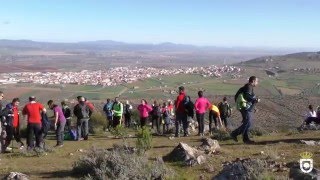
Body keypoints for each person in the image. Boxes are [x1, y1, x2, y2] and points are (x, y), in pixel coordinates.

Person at [231, 76, 260, 144]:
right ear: (253, 81)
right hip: (245, 108)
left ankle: (246, 139)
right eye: (257, 81)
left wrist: (254, 107)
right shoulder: (248, 87)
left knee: (247, 123)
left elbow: (247, 98)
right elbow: (247, 96)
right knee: (248, 122)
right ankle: (234, 134)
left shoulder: (248, 87)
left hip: (246, 108)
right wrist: (255, 100)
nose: (257, 83)